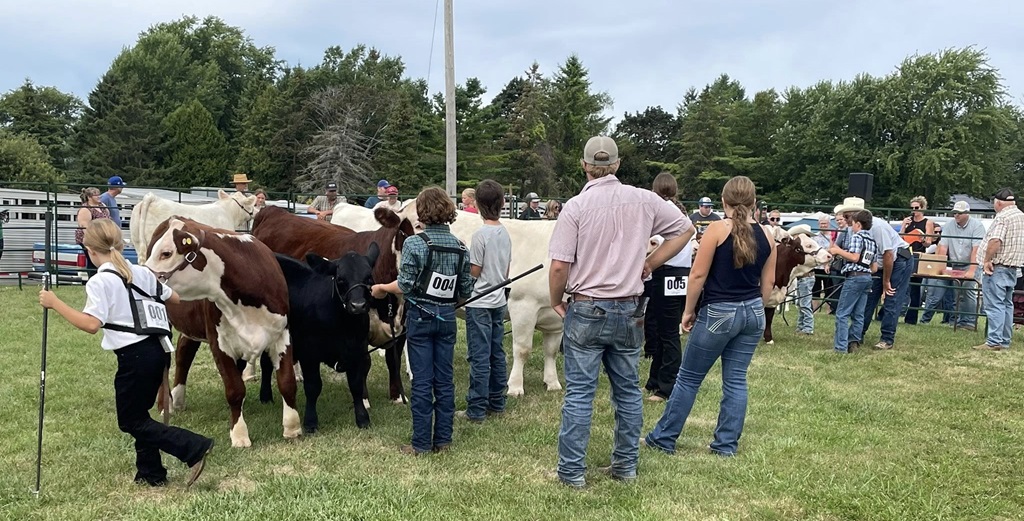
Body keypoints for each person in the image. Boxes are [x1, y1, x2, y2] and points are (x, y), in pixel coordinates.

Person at [549, 136, 690, 487]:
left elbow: (558, 266)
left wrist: (555, 300)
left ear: (585, 165)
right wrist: (650, 263)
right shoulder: (644, 199)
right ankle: (625, 467)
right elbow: (685, 229)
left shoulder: (576, 207)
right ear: (617, 164)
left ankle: (572, 473)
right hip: (629, 309)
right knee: (627, 392)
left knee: (580, 393)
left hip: (585, 306)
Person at [38, 219, 214, 487]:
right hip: (158, 350)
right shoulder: (141, 272)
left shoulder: (100, 282)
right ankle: (150, 473)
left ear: (91, 251)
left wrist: (55, 303)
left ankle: (193, 447)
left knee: (131, 421)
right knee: (140, 414)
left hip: (135, 357)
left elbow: (91, 324)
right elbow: (174, 298)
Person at [644, 175, 776, 457]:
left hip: (719, 311)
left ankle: (664, 437)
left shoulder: (716, 229)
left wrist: (689, 311)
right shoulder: (767, 234)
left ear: (723, 201)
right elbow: (768, 284)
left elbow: (698, 275)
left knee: (689, 378)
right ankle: (726, 444)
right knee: (736, 379)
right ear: (754, 203)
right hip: (753, 310)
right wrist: (753, 309)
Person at [371, 187, 474, 455]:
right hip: (447, 320)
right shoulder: (461, 247)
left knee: (422, 381)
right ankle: (443, 440)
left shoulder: (416, 243)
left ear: (422, 212)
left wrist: (382, 288)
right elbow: (465, 290)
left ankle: (420, 444)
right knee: (444, 379)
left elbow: (404, 285)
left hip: (420, 317)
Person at [458, 180, 511, 422]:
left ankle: (477, 409)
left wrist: (462, 288)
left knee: (479, 356)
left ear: (477, 205)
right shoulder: (504, 233)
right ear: (502, 203)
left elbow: (475, 270)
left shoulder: (480, 235)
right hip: (499, 300)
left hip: (479, 302)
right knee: (496, 353)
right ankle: (497, 402)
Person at [833, 197, 912, 350]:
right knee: (867, 301)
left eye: (848, 216)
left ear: (857, 218)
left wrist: (886, 281)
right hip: (874, 266)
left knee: (891, 297)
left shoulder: (878, 227)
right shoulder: (855, 229)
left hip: (898, 259)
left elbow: (889, 254)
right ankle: (856, 336)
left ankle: (886, 338)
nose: (845, 220)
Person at [643, 172, 693, 402]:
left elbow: (655, 244)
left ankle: (667, 386)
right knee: (665, 329)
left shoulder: (661, 214)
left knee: (668, 333)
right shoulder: (680, 213)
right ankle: (656, 379)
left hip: (665, 272)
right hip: (681, 273)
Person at [922, 201, 984, 329]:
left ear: (967, 213)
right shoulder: (950, 225)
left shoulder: (977, 226)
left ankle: (969, 322)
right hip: (956, 263)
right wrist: (941, 267)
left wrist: (972, 269)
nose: (956, 215)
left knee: (968, 290)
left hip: (971, 262)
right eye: (955, 212)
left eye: (960, 213)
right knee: (958, 293)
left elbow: (976, 250)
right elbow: (943, 246)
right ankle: (960, 321)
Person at [975, 188, 1024, 351]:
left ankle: (994, 341)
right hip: (1013, 267)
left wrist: (987, 260)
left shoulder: (1002, 217)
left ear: (998, 202)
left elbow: (996, 240)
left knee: (994, 304)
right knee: (1007, 304)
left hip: (998, 266)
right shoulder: (1021, 216)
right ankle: (1004, 340)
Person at [828, 210, 878, 354]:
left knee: (842, 313)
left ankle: (840, 348)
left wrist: (837, 251)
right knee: (858, 314)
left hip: (855, 276)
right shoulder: (872, 241)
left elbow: (855, 257)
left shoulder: (857, 237)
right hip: (867, 277)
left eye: (853, 223)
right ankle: (853, 343)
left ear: (858, 224)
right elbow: (874, 267)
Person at [899, 196, 935, 325]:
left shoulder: (928, 222)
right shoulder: (907, 221)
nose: (914, 211)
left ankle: (911, 318)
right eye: (912, 208)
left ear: (923, 208)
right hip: (905, 253)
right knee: (899, 284)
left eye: (917, 208)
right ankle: (892, 312)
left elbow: (929, 243)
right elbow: (900, 240)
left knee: (915, 288)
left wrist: (923, 239)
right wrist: (903, 226)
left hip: (918, 254)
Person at [789, 225, 818, 335]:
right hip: (805, 278)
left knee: (804, 303)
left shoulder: (807, 250)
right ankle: (801, 326)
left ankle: (807, 327)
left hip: (806, 277)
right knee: (802, 302)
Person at [77, 187, 111, 273]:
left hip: (102, 237)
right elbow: (84, 226)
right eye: (96, 195)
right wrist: (93, 240)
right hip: (90, 238)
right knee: (93, 261)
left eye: (99, 194)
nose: (99, 197)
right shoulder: (85, 209)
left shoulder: (102, 206)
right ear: (89, 197)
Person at [812, 215, 836, 313]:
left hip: (829, 266)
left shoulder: (832, 236)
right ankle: (814, 310)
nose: (823, 225)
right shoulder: (814, 236)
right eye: (821, 223)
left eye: (825, 223)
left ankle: (828, 311)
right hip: (817, 266)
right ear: (818, 224)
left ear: (829, 224)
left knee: (829, 289)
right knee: (815, 289)